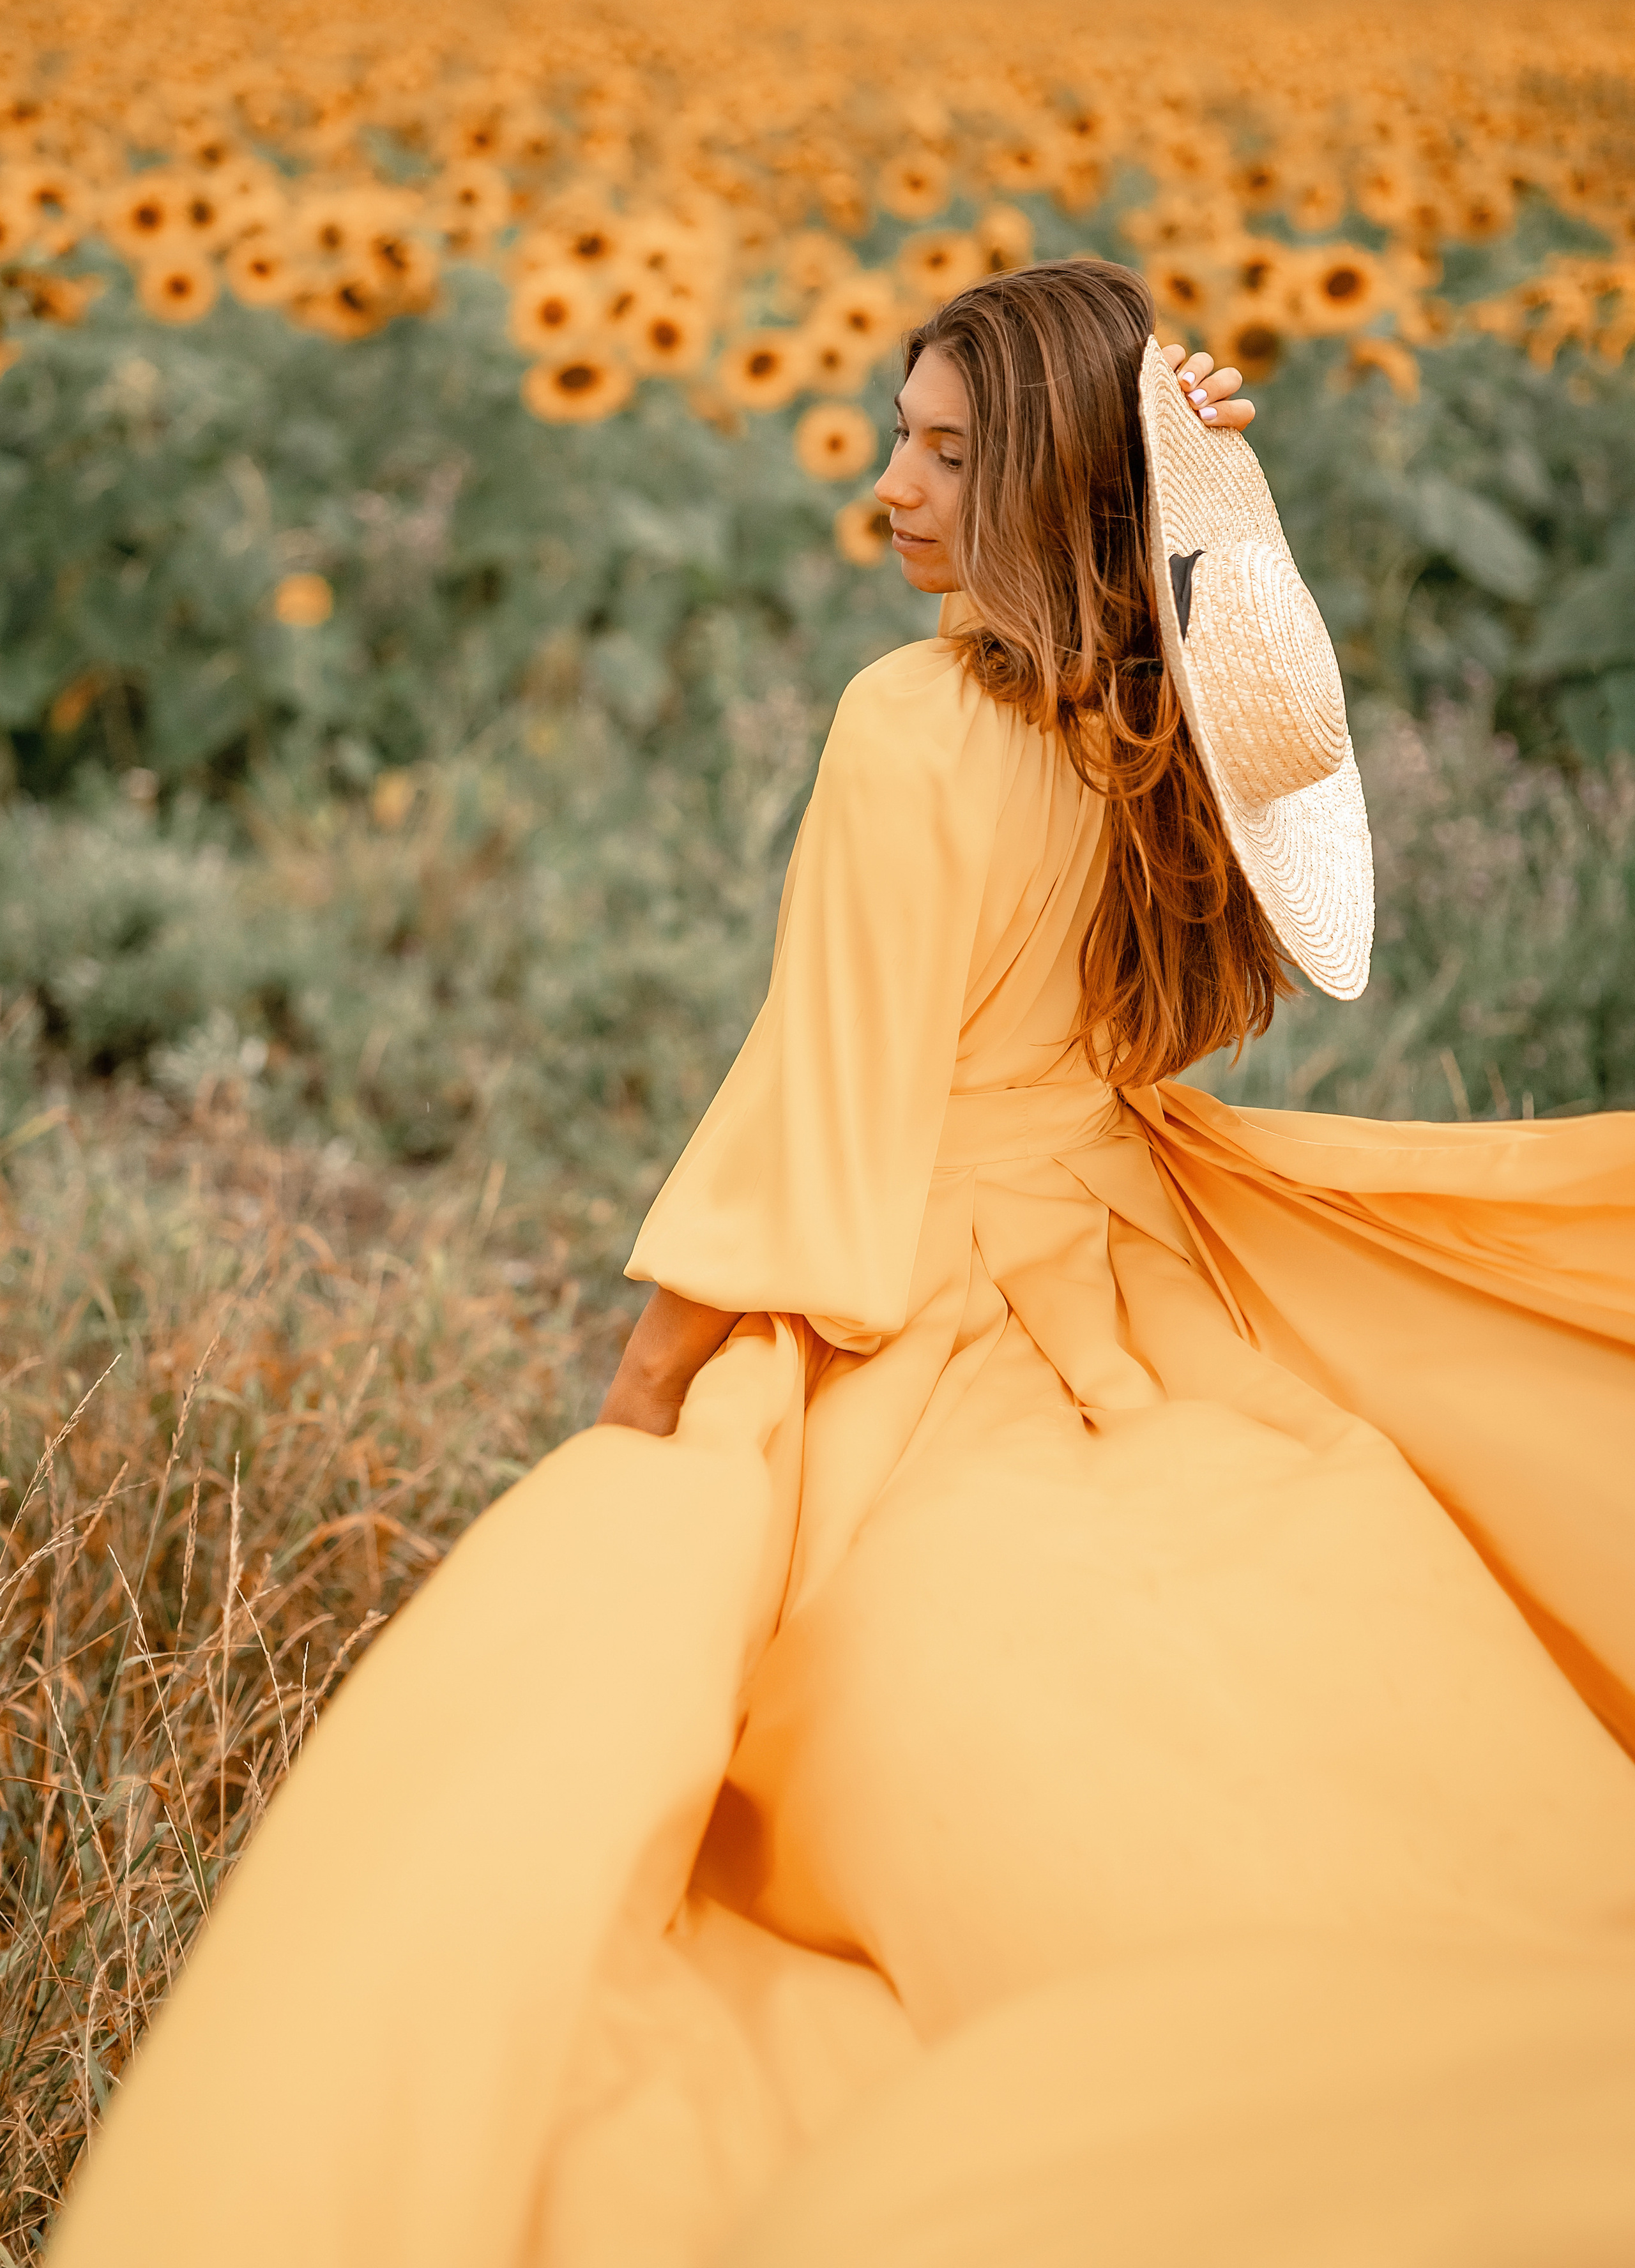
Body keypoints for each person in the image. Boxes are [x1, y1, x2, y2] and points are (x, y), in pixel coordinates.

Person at [51, 261, 1635, 2268]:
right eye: (898, 434)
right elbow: (1241, 860)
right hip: (1149, 1274)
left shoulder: (907, 727)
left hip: (944, 1291)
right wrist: (1224, 518)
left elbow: (825, 1123)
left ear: (1061, 488)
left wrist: (644, 1411)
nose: (891, 486)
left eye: (952, 454)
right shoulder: (1155, 720)